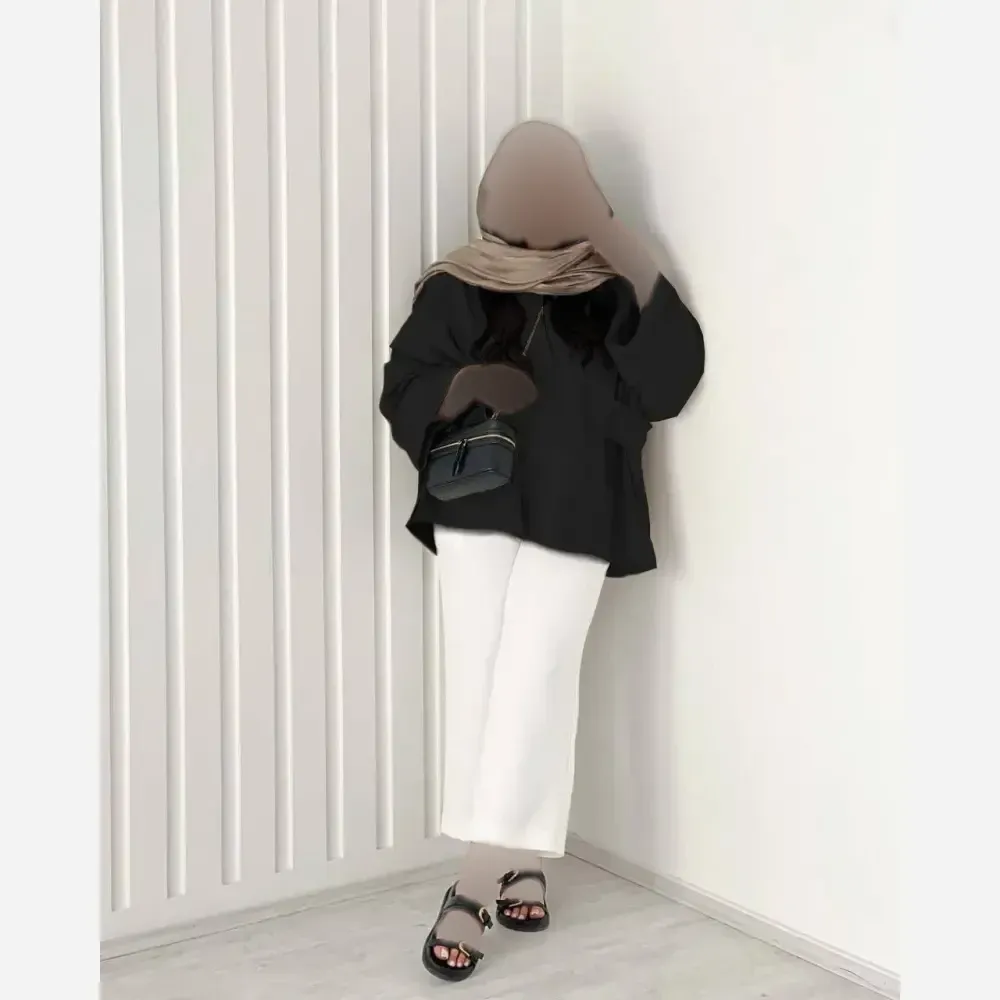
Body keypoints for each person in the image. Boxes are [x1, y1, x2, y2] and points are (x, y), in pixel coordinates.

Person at [378, 120, 705, 982]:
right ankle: (519, 863)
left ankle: (473, 882)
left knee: (535, 675)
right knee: (482, 683)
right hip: (475, 507)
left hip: (580, 510)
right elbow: (402, 385)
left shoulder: (609, 288)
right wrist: (465, 384)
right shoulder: (459, 285)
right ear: (492, 195)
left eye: (561, 180)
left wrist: (605, 230)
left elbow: (672, 377)